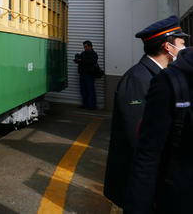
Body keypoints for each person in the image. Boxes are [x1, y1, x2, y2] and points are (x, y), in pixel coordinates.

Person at [103, 15, 189, 207]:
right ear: (168, 47)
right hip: (139, 185)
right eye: (182, 44)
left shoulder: (160, 76)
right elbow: (138, 138)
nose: (184, 49)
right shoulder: (137, 79)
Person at [124, 45, 192, 213]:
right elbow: (146, 154)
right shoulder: (169, 81)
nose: (183, 45)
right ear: (168, 46)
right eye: (180, 41)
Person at [74, 40, 99, 109]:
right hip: (82, 74)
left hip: (89, 75)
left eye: (86, 46)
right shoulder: (83, 53)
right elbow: (80, 61)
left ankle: (92, 106)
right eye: (84, 47)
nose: (85, 48)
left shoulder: (93, 54)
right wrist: (77, 59)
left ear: (90, 46)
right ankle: (85, 105)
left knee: (90, 90)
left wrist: (81, 60)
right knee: (83, 90)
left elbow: (91, 61)